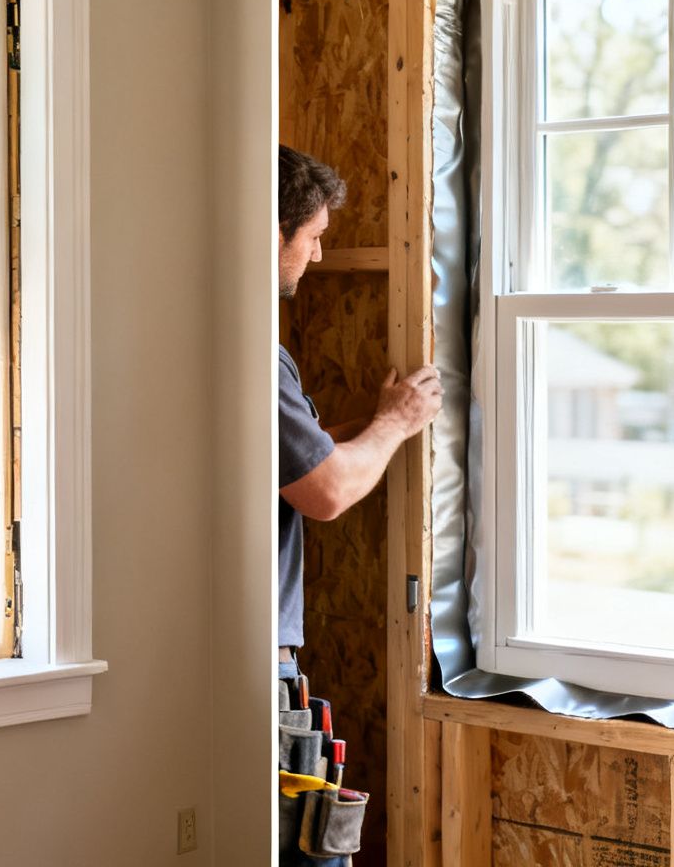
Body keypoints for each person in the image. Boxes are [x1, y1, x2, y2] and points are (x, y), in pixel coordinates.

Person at [275, 145, 442, 866]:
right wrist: (398, 426)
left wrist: (374, 422)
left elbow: (295, 462)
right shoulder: (249, 353)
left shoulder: (190, 332)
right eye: (311, 238)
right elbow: (328, 491)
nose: (315, 258)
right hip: (248, 668)